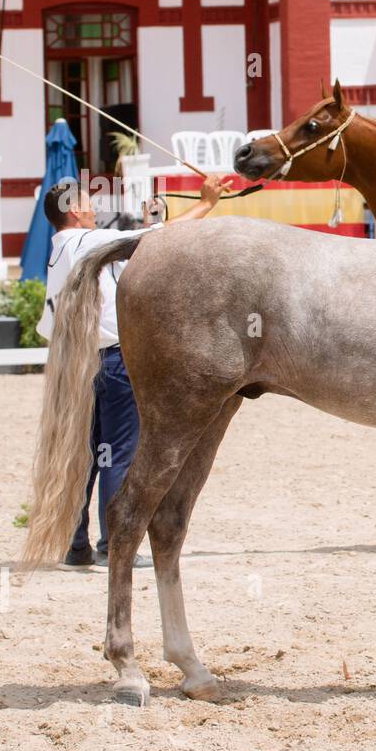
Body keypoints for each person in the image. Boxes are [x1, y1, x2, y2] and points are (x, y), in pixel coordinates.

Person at [38, 174, 231, 570]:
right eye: (88, 203)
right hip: (109, 360)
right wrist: (206, 203)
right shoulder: (84, 241)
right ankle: (113, 544)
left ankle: (76, 546)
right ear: (74, 211)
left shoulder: (59, 249)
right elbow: (158, 239)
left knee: (83, 454)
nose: (93, 208)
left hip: (72, 363)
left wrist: (148, 219)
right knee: (119, 453)